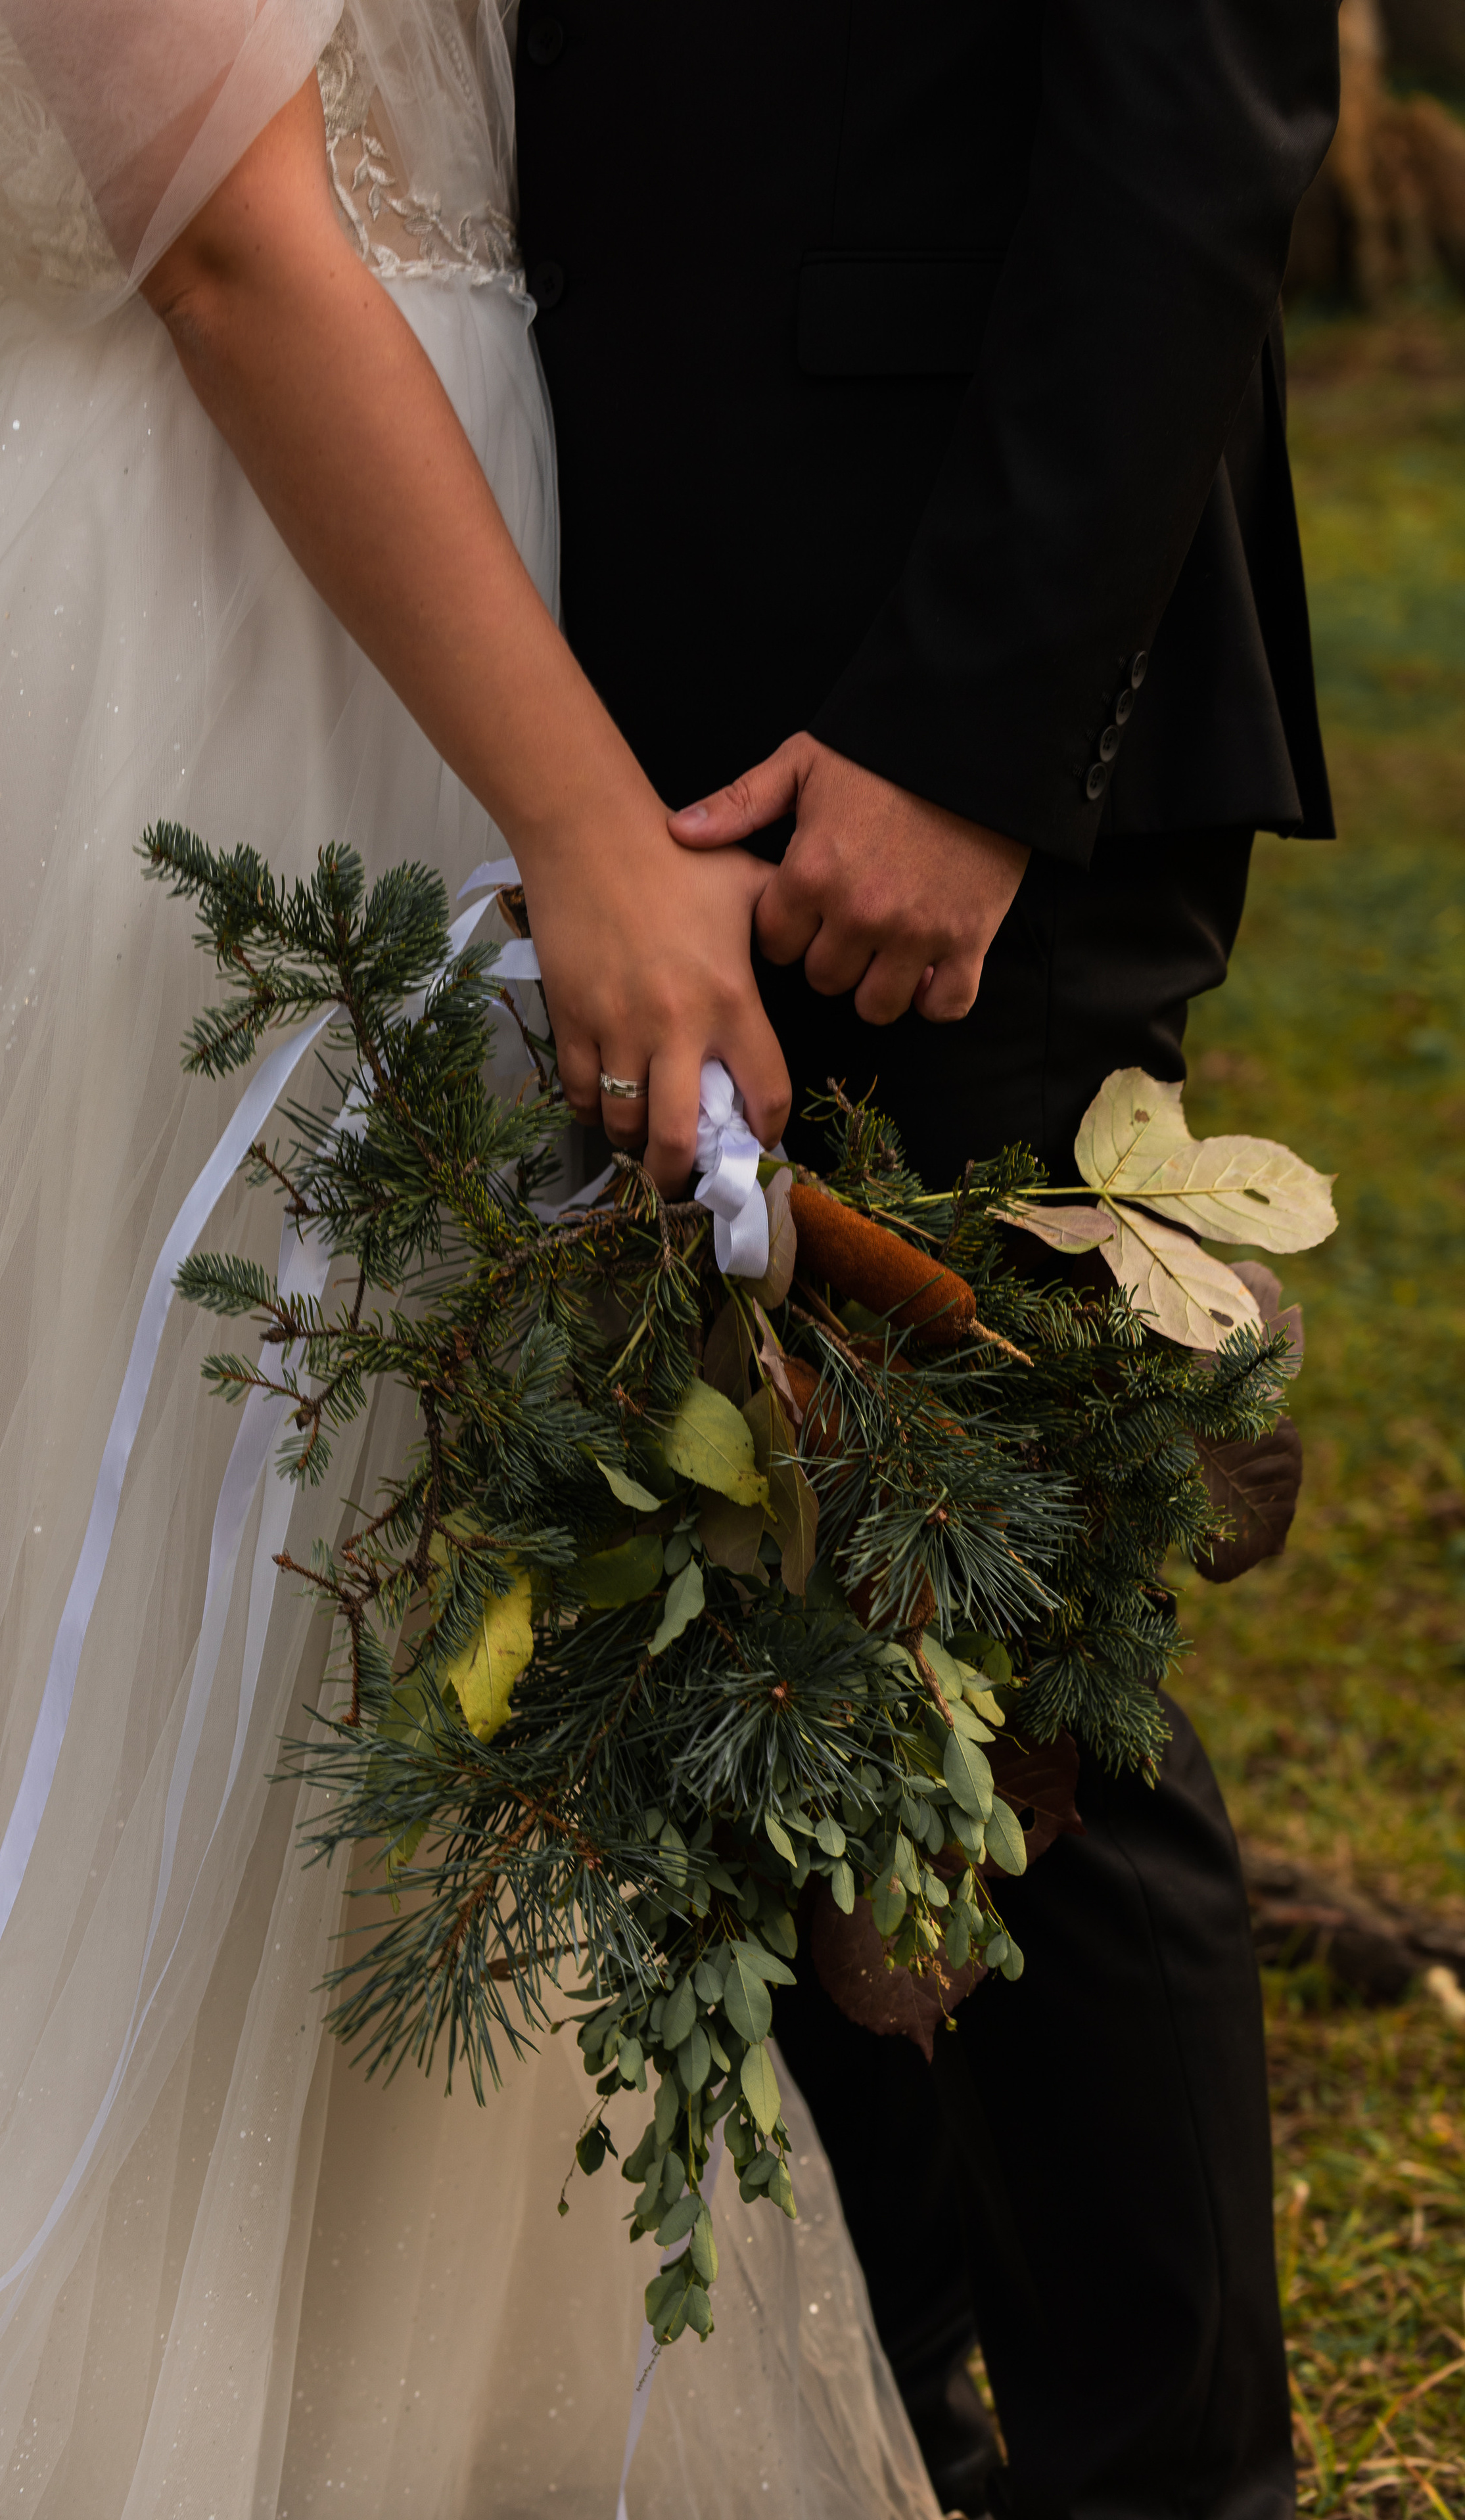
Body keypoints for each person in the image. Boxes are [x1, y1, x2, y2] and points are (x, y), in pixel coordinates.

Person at [0, 4, 933, 2511]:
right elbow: (222, 230)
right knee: (157, 1589)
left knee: (323, 1589)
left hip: (347, 547)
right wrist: (591, 829)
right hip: (213, 605)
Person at [511, 3, 1339, 2514]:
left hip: (939, 700)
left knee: (1017, 1675)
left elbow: (1199, 104)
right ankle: (885, 2422)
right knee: (745, 1602)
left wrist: (977, 731)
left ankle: (1166, 2480)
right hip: (616, 690)